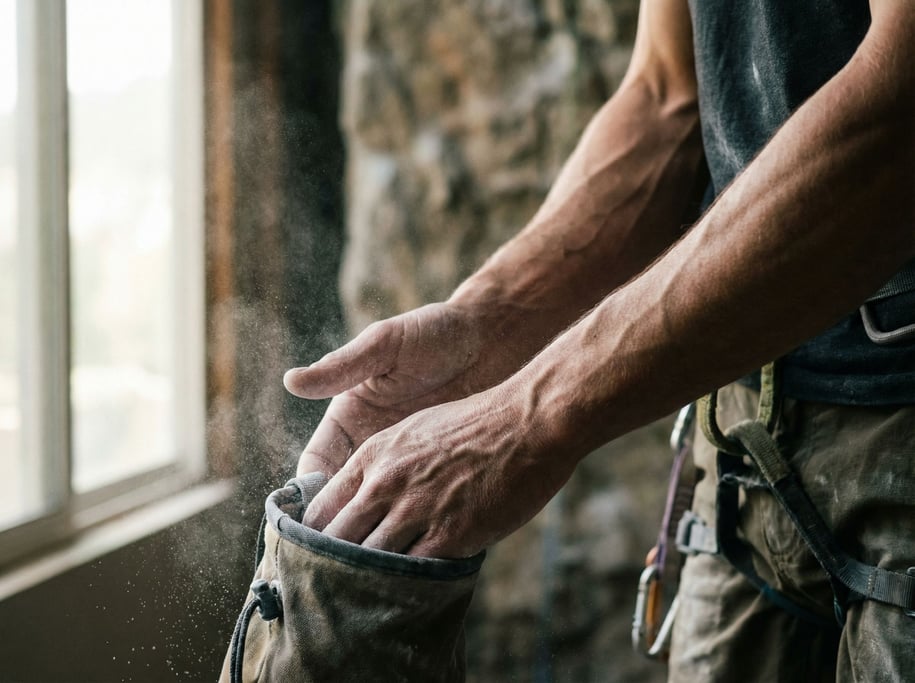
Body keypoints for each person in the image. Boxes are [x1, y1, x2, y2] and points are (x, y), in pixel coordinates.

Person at [283, 0, 914, 679]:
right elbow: (666, 95)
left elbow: (899, 110)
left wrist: (522, 416)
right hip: (743, 447)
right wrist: (485, 328)